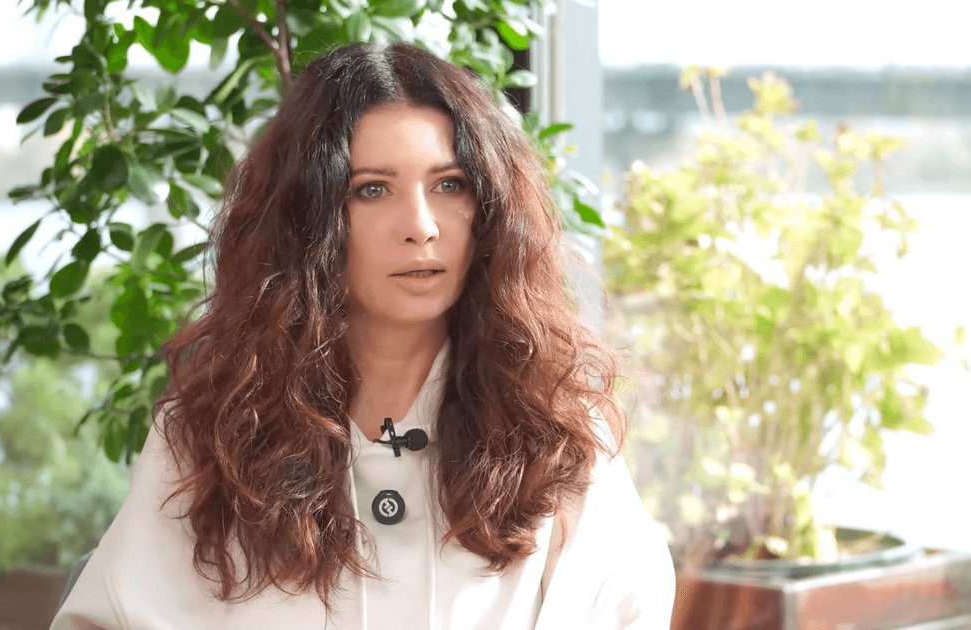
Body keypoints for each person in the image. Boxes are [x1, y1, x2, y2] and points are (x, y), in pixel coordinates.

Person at [53, 41, 674, 629]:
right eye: (371, 190)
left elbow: (630, 608)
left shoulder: (557, 428)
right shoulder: (211, 431)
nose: (421, 226)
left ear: (487, 208)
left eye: (449, 185)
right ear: (309, 219)